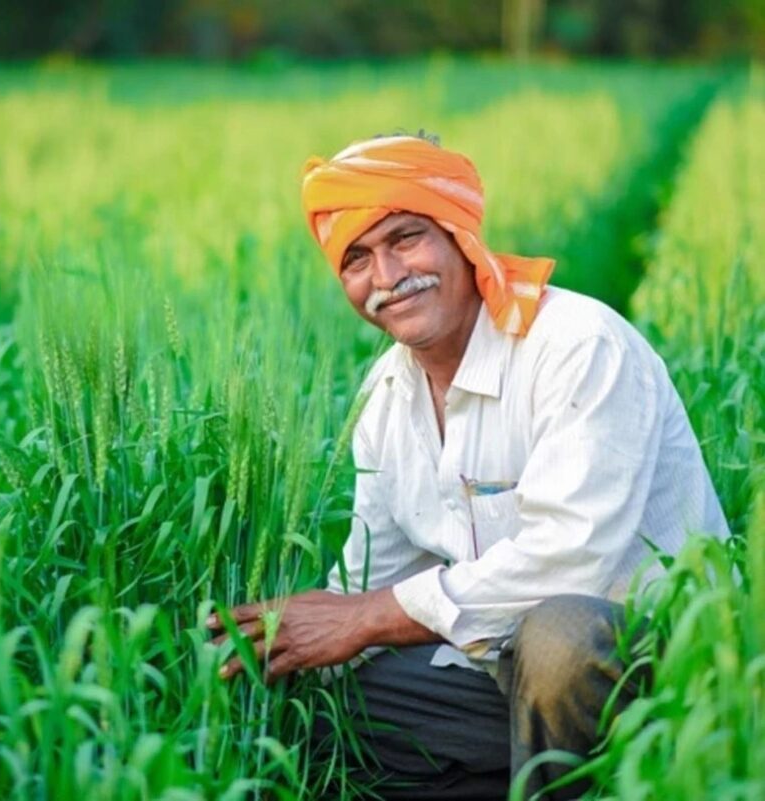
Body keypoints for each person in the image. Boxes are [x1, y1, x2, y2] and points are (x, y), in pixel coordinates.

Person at [206, 134, 729, 799]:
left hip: (648, 673)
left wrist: (363, 617)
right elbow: (378, 573)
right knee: (319, 704)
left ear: (460, 236)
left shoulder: (575, 346)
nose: (387, 277)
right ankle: (527, 774)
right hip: (499, 675)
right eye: (357, 259)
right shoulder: (386, 398)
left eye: (406, 238)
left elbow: (573, 562)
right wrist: (294, 641)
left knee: (560, 634)